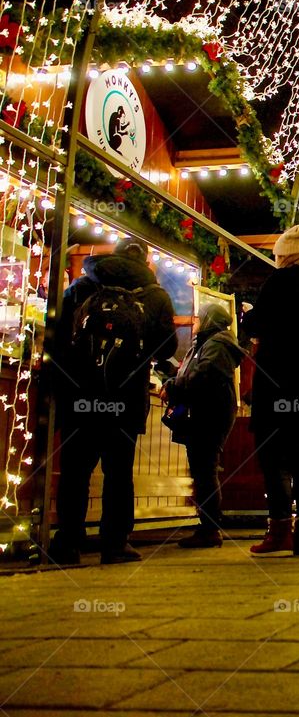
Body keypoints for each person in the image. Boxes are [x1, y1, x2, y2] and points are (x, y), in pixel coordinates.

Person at [50, 238, 176, 565]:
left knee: (75, 471)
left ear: (113, 256)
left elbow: (56, 332)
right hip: (125, 397)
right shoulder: (155, 296)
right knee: (118, 473)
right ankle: (115, 544)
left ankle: (67, 543)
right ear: (145, 262)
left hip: (80, 394)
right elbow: (166, 348)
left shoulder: (83, 286)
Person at [244, 225, 299, 557]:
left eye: (279, 255)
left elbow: (256, 324)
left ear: (287, 256)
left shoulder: (279, 282)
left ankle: (279, 530)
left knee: (273, 458)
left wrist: (248, 319)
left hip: (276, 380)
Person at [163, 305, 245, 548]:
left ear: (209, 320)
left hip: (210, 414)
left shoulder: (217, 345)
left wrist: (174, 387)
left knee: (205, 469)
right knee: (202, 469)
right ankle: (208, 526)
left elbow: (204, 376)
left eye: (199, 318)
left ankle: (210, 528)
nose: (195, 322)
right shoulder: (209, 343)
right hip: (205, 413)